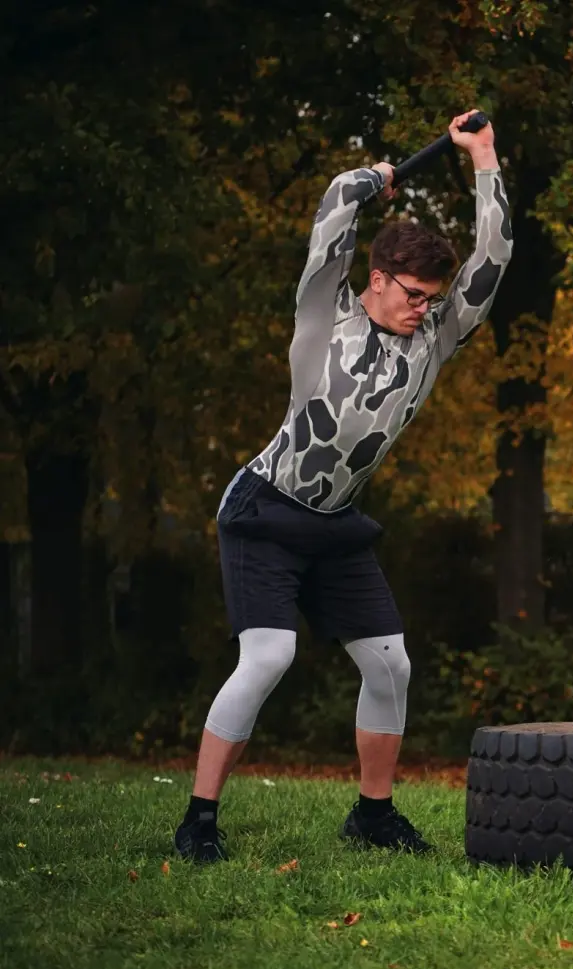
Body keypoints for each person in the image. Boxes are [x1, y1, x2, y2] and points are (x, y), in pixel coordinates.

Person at [173, 110, 514, 863]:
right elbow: (334, 203)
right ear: (378, 279)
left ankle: (373, 814)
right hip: (264, 510)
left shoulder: (435, 341)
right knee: (268, 658)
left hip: (336, 525)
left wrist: (483, 158)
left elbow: (493, 258)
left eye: (433, 295)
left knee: (391, 663)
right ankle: (198, 820)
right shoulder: (320, 316)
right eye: (414, 293)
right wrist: (376, 178)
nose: (425, 305)